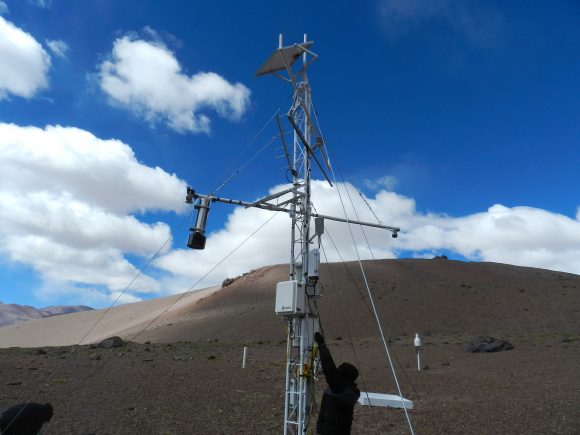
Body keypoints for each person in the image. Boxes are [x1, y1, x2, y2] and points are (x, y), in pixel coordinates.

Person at [314, 332, 360, 435]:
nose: (337, 371)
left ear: (344, 376)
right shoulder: (348, 391)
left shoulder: (341, 389)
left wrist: (321, 345)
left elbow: (329, 367)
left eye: (339, 371)